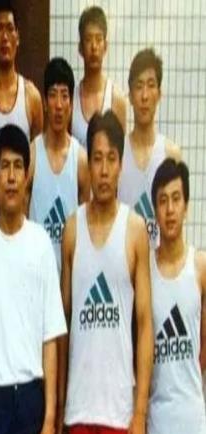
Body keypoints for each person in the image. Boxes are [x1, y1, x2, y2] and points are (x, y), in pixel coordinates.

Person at [0, 124, 66, 434]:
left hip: (32, 401)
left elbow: (50, 338)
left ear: (27, 177)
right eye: (4, 166)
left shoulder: (41, 243)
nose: (11, 176)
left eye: (18, 166)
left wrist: (49, 420)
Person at [58, 111, 153, 434]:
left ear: (120, 166)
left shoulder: (135, 230)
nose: (103, 170)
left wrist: (139, 412)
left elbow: (145, 324)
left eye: (111, 159)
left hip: (119, 411)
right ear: (88, 165)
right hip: (79, 408)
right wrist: (59, 407)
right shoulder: (72, 230)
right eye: (97, 158)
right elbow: (63, 324)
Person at [147, 158, 206, 434]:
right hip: (157, 420)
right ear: (155, 210)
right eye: (162, 201)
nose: (170, 209)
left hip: (192, 420)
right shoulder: (145, 271)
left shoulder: (201, 267)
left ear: (186, 206)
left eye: (176, 199)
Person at [28, 57, 90, 271]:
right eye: (53, 95)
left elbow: (86, 225)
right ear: (45, 103)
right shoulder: (31, 155)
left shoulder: (81, 159)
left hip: (70, 273)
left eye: (64, 96)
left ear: (71, 104)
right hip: (36, 272)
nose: (59, 104)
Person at [118, 48, 181, 248]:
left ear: (159, 94)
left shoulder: (170, 154)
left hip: (160, 265)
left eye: (151, 85)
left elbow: (177, 224)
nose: (144, 96)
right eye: (139, 86)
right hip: (125, 263)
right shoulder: (118, 153)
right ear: (130, 95)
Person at [0, 2, 43, 140]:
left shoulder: (32, 96)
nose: (5, 37)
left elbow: (37, 150)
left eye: (10, 29)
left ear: (18, 38)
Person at [71, 6, 126, 149]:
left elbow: (120, 154)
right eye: (88, 39)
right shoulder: (71, 99)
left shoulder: (117, 99)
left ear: (105, 46)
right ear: (80, 48)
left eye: (98, 39)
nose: (94, 47)